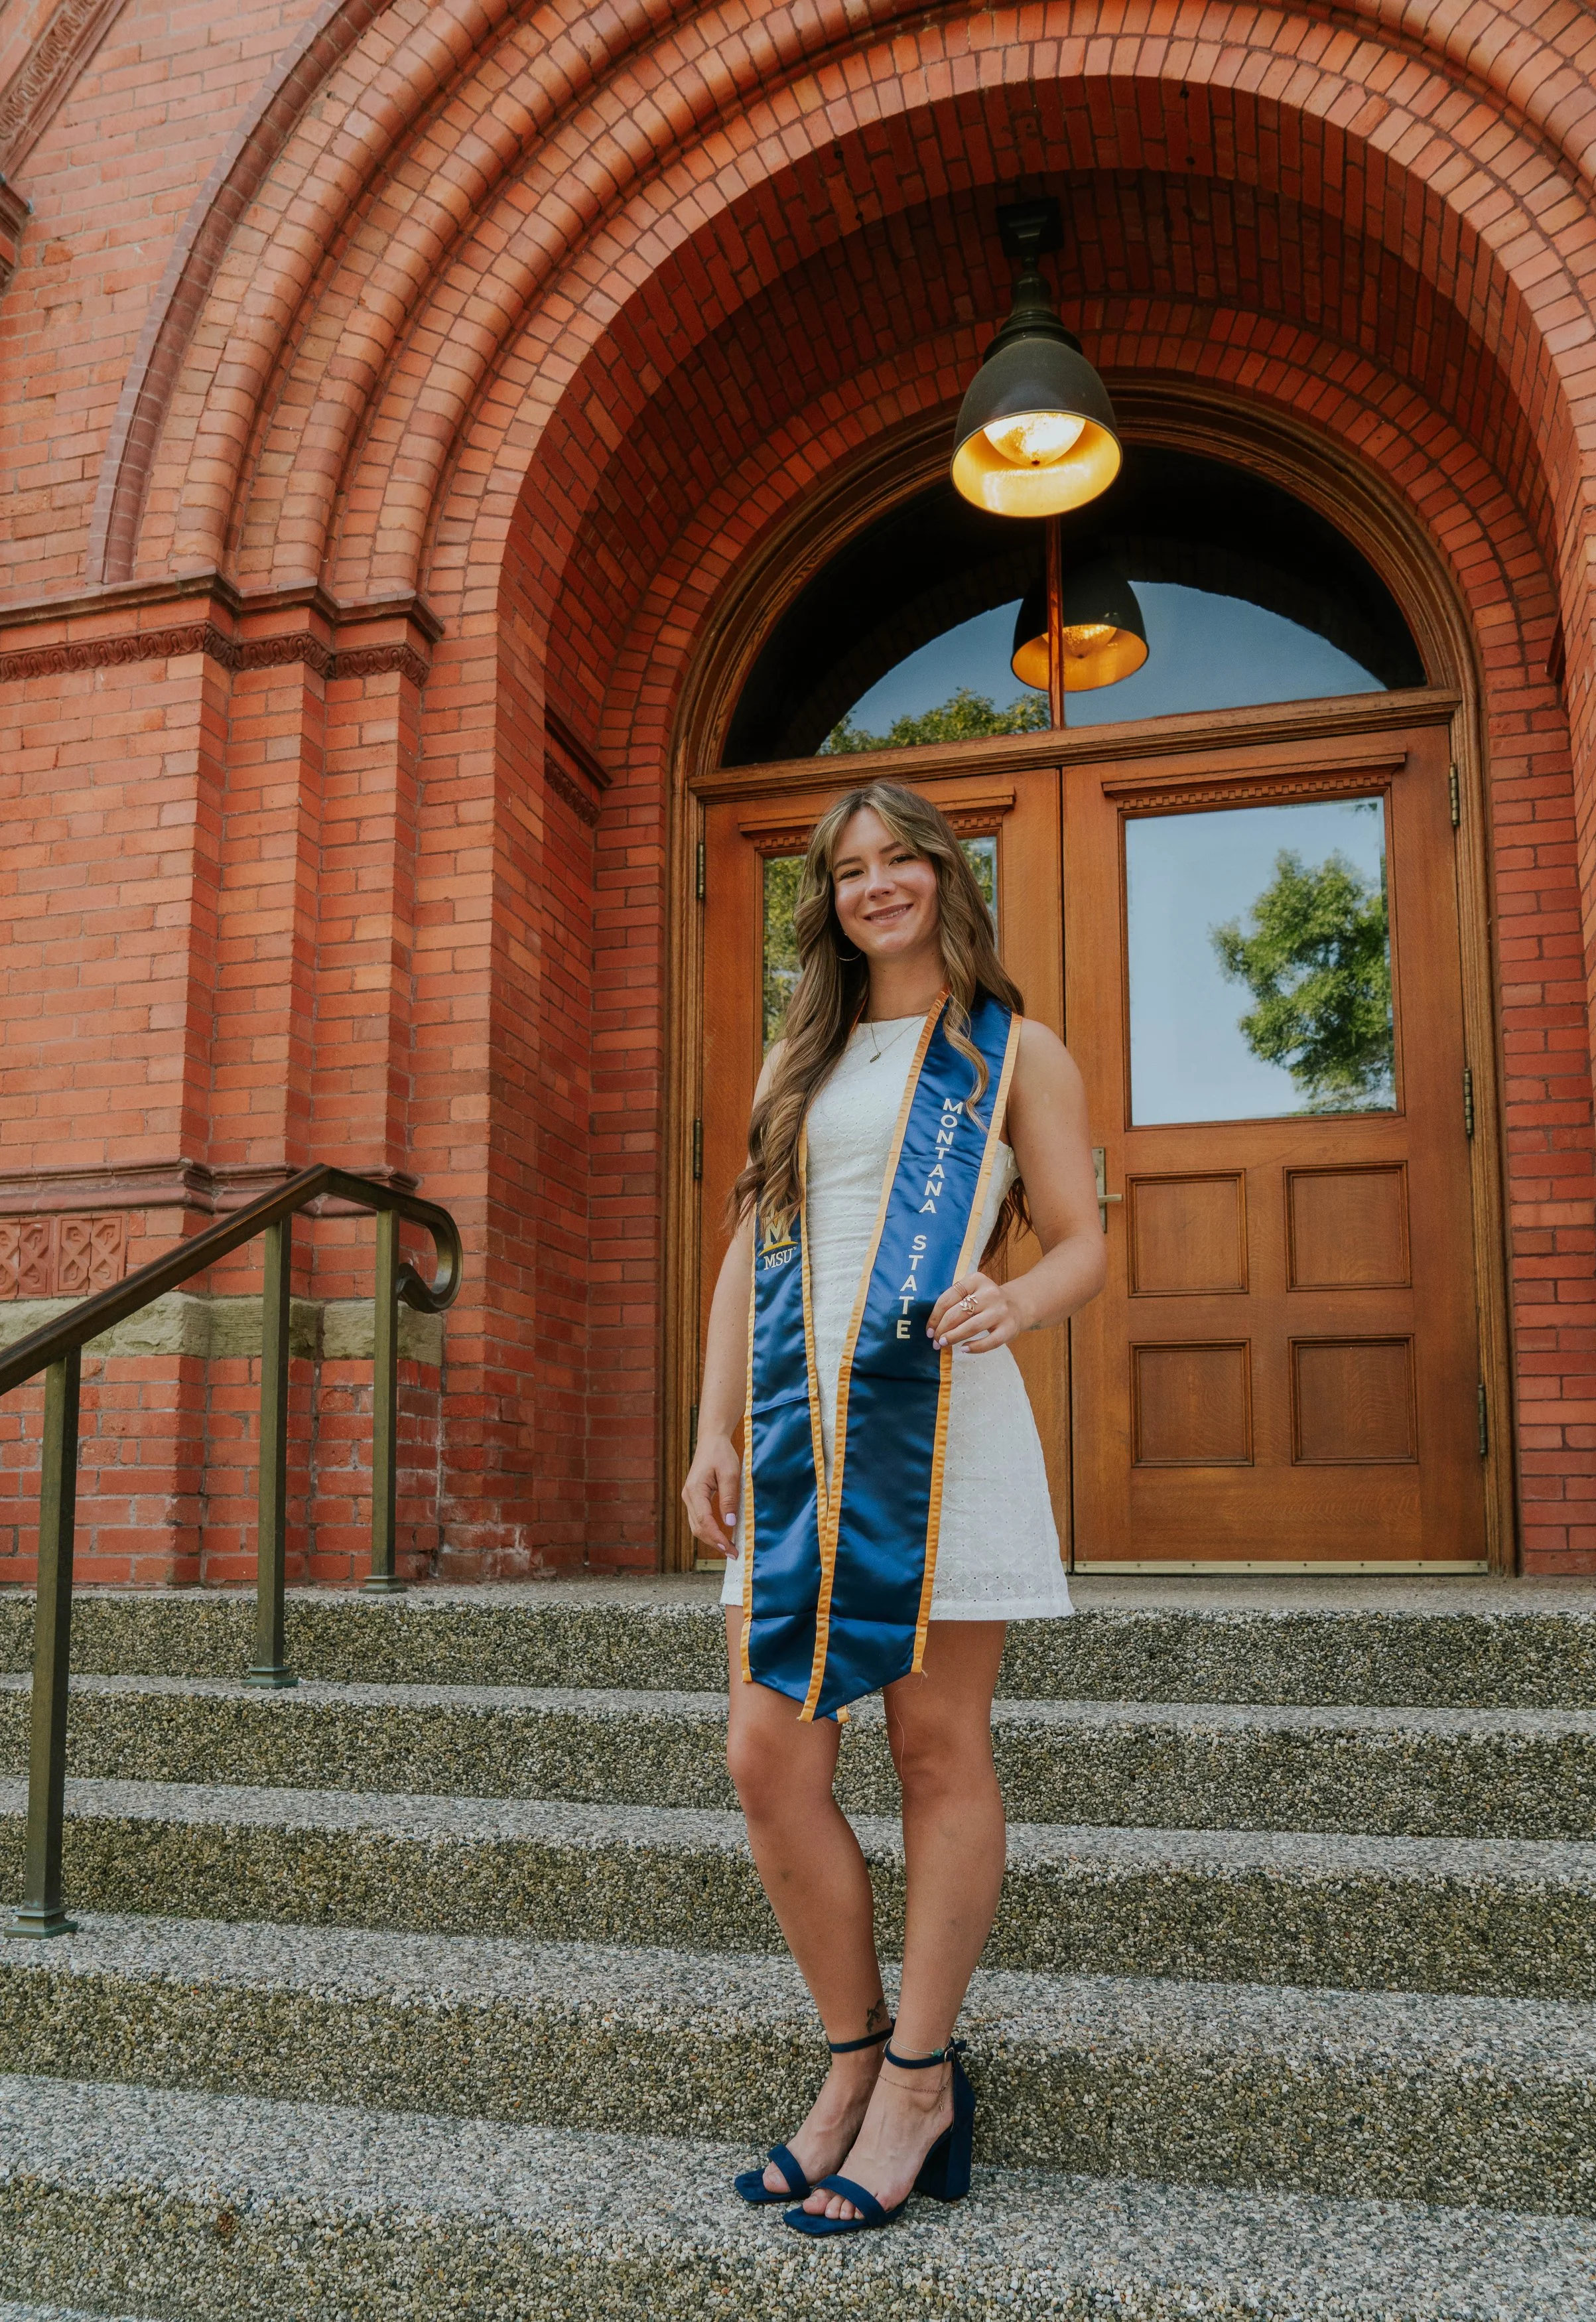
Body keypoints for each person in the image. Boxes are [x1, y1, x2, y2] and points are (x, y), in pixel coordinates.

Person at [681, 778, 1106, 2237]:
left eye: (898, 859)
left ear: (942, 874)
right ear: (830, 899)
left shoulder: (1010, 1051)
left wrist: (1014, 1296)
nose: (875, 885)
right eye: (849, 868)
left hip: (943, 1432)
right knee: (764, 1754)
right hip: (800, 1446)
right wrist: (708, 1427)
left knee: (934, 1747)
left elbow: (1083, 1240)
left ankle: (917, 2082)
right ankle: (850, 2053)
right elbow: (751, 1247)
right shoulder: (792, 1059)